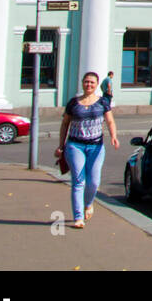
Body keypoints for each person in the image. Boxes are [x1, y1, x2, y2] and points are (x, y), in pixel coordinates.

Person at [56, 71, 119, 229]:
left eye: (92, 82)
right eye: (86, 82)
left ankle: (88, 204)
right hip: (75, 145)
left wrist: (113, 136)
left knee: (93, 182)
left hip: (96, 146)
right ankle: (78, 217)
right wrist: (61, 145)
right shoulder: (73, 103)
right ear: (82, 83)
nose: (89, 85)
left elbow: (110, 121)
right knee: (78, 181)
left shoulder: (102, 102)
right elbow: (65, 124)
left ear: (96, 84)